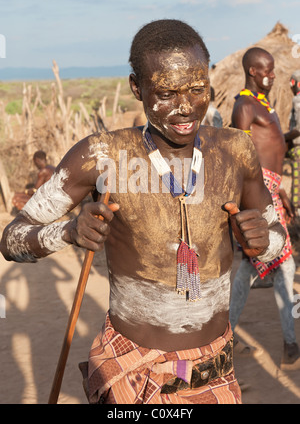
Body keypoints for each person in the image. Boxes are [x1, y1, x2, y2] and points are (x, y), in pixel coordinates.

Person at [0, 20, 286, 404]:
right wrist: (66, 233)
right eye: (165, 93)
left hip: (214, 371)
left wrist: (261, 240)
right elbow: (12, 237)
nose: (185, 107)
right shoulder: (102, 155)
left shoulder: (235, 150)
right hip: (132, 375)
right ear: (138, 87)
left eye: (197, 90)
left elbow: (275, 242)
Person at [229, 47, 300, 370]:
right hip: (259, 193)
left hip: (271, 189)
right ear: (253, 72)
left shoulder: (263, 105)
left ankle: (225, 337)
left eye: (272, 70)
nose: (273, 75)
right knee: (284, 266)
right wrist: (253, 203)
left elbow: (270, 144)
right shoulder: (244, 106)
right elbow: (240, 158)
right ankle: (290, 348)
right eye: (267, 70)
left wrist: (292, 136)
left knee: (247, 270)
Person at [287, 70, 300, 211]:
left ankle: (296, 212)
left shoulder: (297, 100)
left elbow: (298, 128)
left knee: (297, 183)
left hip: (298, 146)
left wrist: (283, 138)